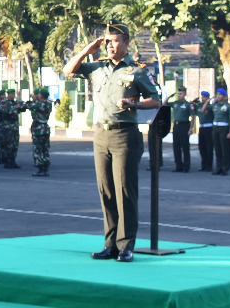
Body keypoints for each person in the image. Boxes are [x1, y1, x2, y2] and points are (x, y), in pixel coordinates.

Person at [65, 21, 161, 262]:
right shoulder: (98, 68)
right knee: (106, 191)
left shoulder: (137, 70)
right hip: (101, 135)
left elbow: (156, 99)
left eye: (115, 40)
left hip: (125, 135)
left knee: (124, 191)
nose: (109, 44)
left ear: (127, 43)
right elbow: (68, 70)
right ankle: (110, 244)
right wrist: (87, 50)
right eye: (107, 41)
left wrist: (135, 104)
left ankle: (126, 244)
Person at [27, 87, 52, 176]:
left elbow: (29, 106)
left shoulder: (41, 104)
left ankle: (41, 168)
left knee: (38, 149)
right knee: (45, 149)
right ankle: (45, 168)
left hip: (39, 129)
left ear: (41, 96)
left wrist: (32, 99)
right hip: (45, 128)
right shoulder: (48, 104)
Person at [0, 89, 22, 169]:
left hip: (15, 127)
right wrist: (14, 108)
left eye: (14, 94)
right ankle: (6, 160)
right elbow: (4, 110)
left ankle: (13, 160)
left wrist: (19, 99)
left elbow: (22, 107)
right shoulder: (3, 103)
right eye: (11, 94)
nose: (12, 95)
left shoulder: (14, 102)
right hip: (6, 127)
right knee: (7, 144)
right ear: (8, 94)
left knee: (15, 145)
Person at [210, 88, 230, 176]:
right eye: (217, 94)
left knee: (224, 148)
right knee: (217, 149)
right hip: (215, 127)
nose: (218, 96)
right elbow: (204, 110)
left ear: (224, 96)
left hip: (224, 127)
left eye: (220, 95)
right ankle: (218, 167)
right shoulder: (215, 105)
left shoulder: (228, 106)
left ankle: (225, 167)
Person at [169, 87, 192, 173]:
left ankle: (186, 166)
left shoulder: (187, 104)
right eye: (178, 93)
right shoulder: (175, 103)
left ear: (185, 94)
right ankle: (178, 166)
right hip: (176, 126)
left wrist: (191, 128)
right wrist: (169, 97)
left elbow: (192, 116)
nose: (179, 95)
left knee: (185, 147)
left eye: (181, 93)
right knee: (176, 146)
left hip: (184, 125)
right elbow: (163, 104)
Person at [196, 91, 214, 172]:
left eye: (204, 97)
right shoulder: (199, 106)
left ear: (207, 98)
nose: (202, 99)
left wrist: (207, 102)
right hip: (201, 128)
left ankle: (209, 165)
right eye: (202, 97)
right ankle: (203, 165)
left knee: (209, 147)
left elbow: (204, 110)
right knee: (202, 147)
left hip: (209, 128)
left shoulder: (210, 106)